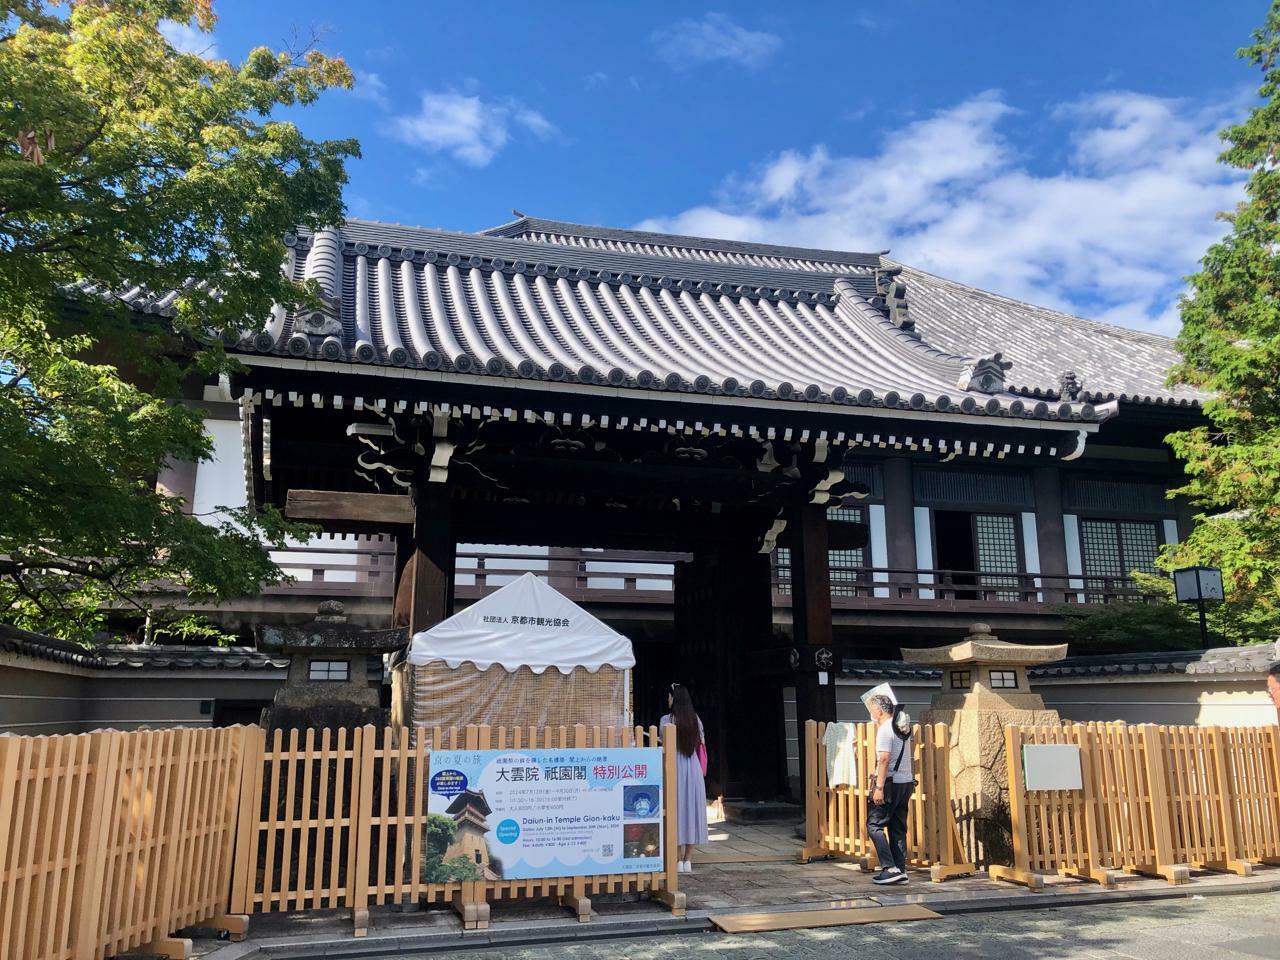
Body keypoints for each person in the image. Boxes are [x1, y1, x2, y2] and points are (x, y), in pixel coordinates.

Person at [660, 683, 708, 874]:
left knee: (676, 808)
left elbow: (665, 742)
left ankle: (677, 858)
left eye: (669, 696)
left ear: (674, 699)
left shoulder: (666, 720)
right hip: (693, 765)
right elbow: (701, 741)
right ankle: (688, 860)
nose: (668, 699)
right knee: (692, 809)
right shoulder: (695, 719)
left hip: (675, 765)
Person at [866, 693, 914, 885]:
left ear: (878, 710)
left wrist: (878, 786)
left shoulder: (885, 730)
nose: (871, 713)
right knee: (897, 827)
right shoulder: (901, 728)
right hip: (906, 781)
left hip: (890, 784)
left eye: (871, 710)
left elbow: (884, 758)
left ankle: (889, 867)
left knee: (874, 824)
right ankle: (900, 870)